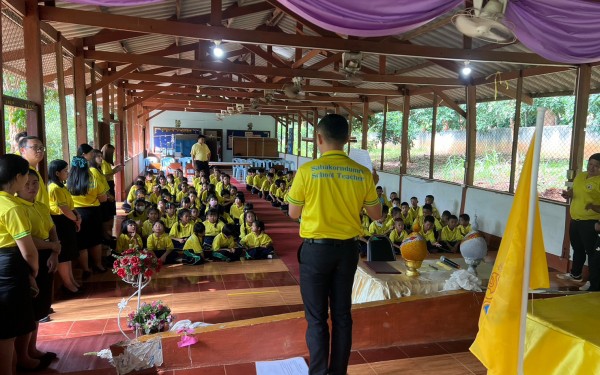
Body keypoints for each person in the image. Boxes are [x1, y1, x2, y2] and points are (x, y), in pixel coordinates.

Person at [287, 114, 381, 375]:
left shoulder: (307, 171)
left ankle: (318, 373)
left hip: (316, 251)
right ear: (347, 139)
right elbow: (376, 215)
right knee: (342, 316)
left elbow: (293, 213)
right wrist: (373, 184)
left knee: (317, 319)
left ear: (319, 138)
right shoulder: (362, 174)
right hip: (347, 252)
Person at [0, 154, 50, 373]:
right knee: (8, 329)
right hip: (10, 265)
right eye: (26, 176)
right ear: (19, 177)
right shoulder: (12, 206)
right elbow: (28, 251)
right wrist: (33, 273)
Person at [15, 169, 60, 367]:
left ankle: (32, 349)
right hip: (27, 258)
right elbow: (27, 240)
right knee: (29, 308)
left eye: (35, 183)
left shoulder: (40, 206)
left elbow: (52, 229)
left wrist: (54, 253)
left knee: (41, 306)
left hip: (46, 256)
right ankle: (23, 355)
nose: (32, 187)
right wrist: (52, 246)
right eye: (27, 184)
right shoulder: (17, 208)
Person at [558, 153, 600, 288]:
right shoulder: (581, 175)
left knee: (593, 253)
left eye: (597, 166)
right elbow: (573, 191)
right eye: (590, 164)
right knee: (577, 248)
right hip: (575, 219)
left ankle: (593, 283)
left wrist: (593, 206)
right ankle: (576, 274)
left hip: (591, 222)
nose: (592, 168)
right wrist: (568, 194)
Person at [67, 156, 108, 277]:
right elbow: (103, 198)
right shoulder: (93, 178)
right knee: (95, 240)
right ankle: (98, 265)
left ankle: (86, 269)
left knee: (82, 242)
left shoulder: (68, 180)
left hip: (76, 213)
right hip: (93, 212)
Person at [48, 160, 82, 295]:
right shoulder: (54, 188)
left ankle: (72, 281)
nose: (68, 173)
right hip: (60, 222)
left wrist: (77, 216)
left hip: (68, 220)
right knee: (63, 255)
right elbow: (63, 209)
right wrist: (76, 220)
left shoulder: (62, 186)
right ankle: (68, 285)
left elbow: (70, 206)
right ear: (57, 173)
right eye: (65, 171)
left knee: (68, 254)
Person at [18, 136, 50, 208]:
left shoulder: (34, 170)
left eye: (41, 148)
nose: (39, 150)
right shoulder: (22, 172)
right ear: (23, 150)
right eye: (35, 147)